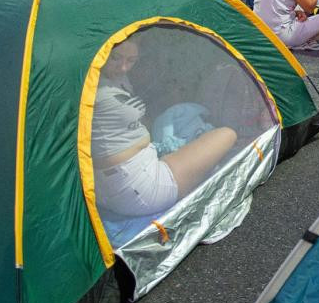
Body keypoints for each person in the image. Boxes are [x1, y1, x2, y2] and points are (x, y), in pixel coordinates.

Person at [92, 36, 238, 218]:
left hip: (107, 187)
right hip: (139, 188)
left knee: (182, 124)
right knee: (227, 134)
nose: (123, 67)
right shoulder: (91, 86)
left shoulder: (114, 77)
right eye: (115, 58)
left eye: (131, 60)